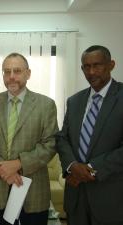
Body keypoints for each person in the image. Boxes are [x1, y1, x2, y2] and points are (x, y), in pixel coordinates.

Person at [0, 52, 58, 225]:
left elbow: (50, 144)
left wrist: (19, 164)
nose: (11, 77)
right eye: (6, 72)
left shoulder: (46, 105)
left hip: (33, 192)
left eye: (17, 71)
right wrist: (3, 170)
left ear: (28, 74)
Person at [56, 45, 123, 225]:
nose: (91, 72)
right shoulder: (74, 101)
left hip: (111, 200)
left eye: (97, 65)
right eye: (86, 67)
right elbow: (63, 138)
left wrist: (90, 169)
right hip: (76, 197)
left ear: (111, 65)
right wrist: (72, 165)